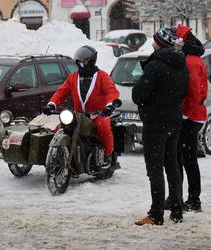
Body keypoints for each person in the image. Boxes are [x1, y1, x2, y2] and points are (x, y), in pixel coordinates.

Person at [132, 27, 189, 225]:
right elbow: (184, 91)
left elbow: (138, 95)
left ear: (161, 43)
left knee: (155, 169)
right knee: (172, 166)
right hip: (174, 121)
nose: (152, 43)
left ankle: (156, 214)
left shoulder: (154, 66)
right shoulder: (182, 65)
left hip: (155, 123)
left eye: (155, 40)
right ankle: (176, 210)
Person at [42, 45, 119, 166]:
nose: (81, 64)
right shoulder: (73, 77)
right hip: (78, 115)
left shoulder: (102, 76)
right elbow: (61, 92)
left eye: (85, 62)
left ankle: (107, 155)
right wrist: (51, 105)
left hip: (98, 114)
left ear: (92, 61)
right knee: (59, 129)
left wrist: (110, 106)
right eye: (79, 62)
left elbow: (111, 91)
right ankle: (58, 156)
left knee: (103, 126)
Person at [168, 24, 208, 212]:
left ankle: (189, 199)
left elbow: (193, 93)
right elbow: (201, 92)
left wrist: (183, 115)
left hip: (189, 117)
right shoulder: (195, 60)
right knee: (187, 159)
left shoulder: (190, 61)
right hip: (194, 115)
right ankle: (189, 198)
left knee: (184, 159)